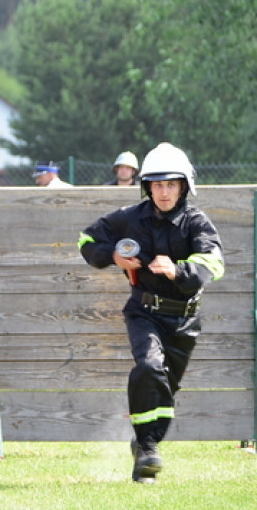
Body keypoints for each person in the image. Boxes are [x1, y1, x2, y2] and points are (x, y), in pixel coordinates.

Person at [78, 143, 224, 483]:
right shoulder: (129, 217)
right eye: (157, 184)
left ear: (184, 186)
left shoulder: (197, 222)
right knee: (149, 366)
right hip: (144, 312)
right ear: (147, 186)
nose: (164, 192)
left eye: (171, 184)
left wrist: (178, 270)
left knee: (164, 389)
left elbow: (213, 263)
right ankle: (147, 448)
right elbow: (86, 240)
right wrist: (113, 257)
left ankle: (145, 447)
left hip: (185, 320)